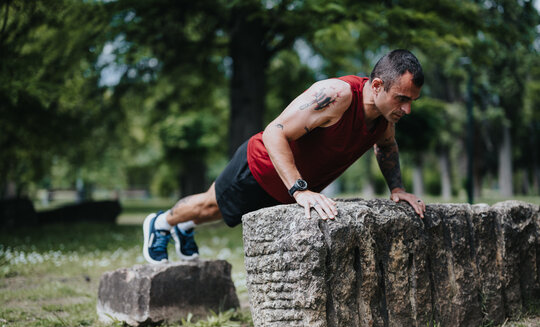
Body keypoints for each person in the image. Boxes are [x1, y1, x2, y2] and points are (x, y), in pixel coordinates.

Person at [142, 49, 427, 264]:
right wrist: (300, 189)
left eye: (411, 101)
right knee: (209, 206)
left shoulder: (384, 118)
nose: (407, 109)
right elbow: (274, 132)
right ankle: (161, 223)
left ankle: (185, 227)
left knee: (220, 215)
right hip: (260, 168)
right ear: (377, 85)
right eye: (401, 98)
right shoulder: (336, 94)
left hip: (289, 190)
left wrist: (398, 190)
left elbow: (387, 146)